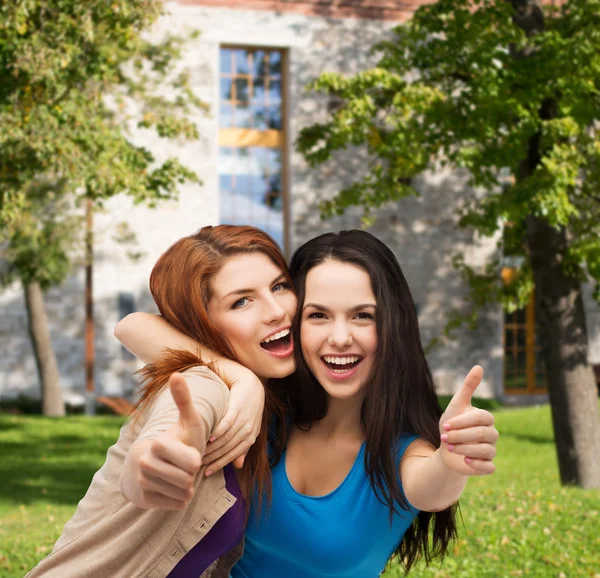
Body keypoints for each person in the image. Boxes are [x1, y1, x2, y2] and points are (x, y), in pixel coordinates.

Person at [118, 229, 499, 576]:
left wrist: (451, 463)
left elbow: (431, 487)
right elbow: (133, 326)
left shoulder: (399, 454)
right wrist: (243, 379)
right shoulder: (262, 413)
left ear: (392, 326)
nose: (339, 338)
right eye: (317, 315)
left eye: (362, 316)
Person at [26, 225, 296, 578]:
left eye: (279, 286)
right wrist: (152, 466)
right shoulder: (203, 386)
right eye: (241, 301)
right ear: (201, 323)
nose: (276, 310)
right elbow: (162, 443)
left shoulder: (271, 403)